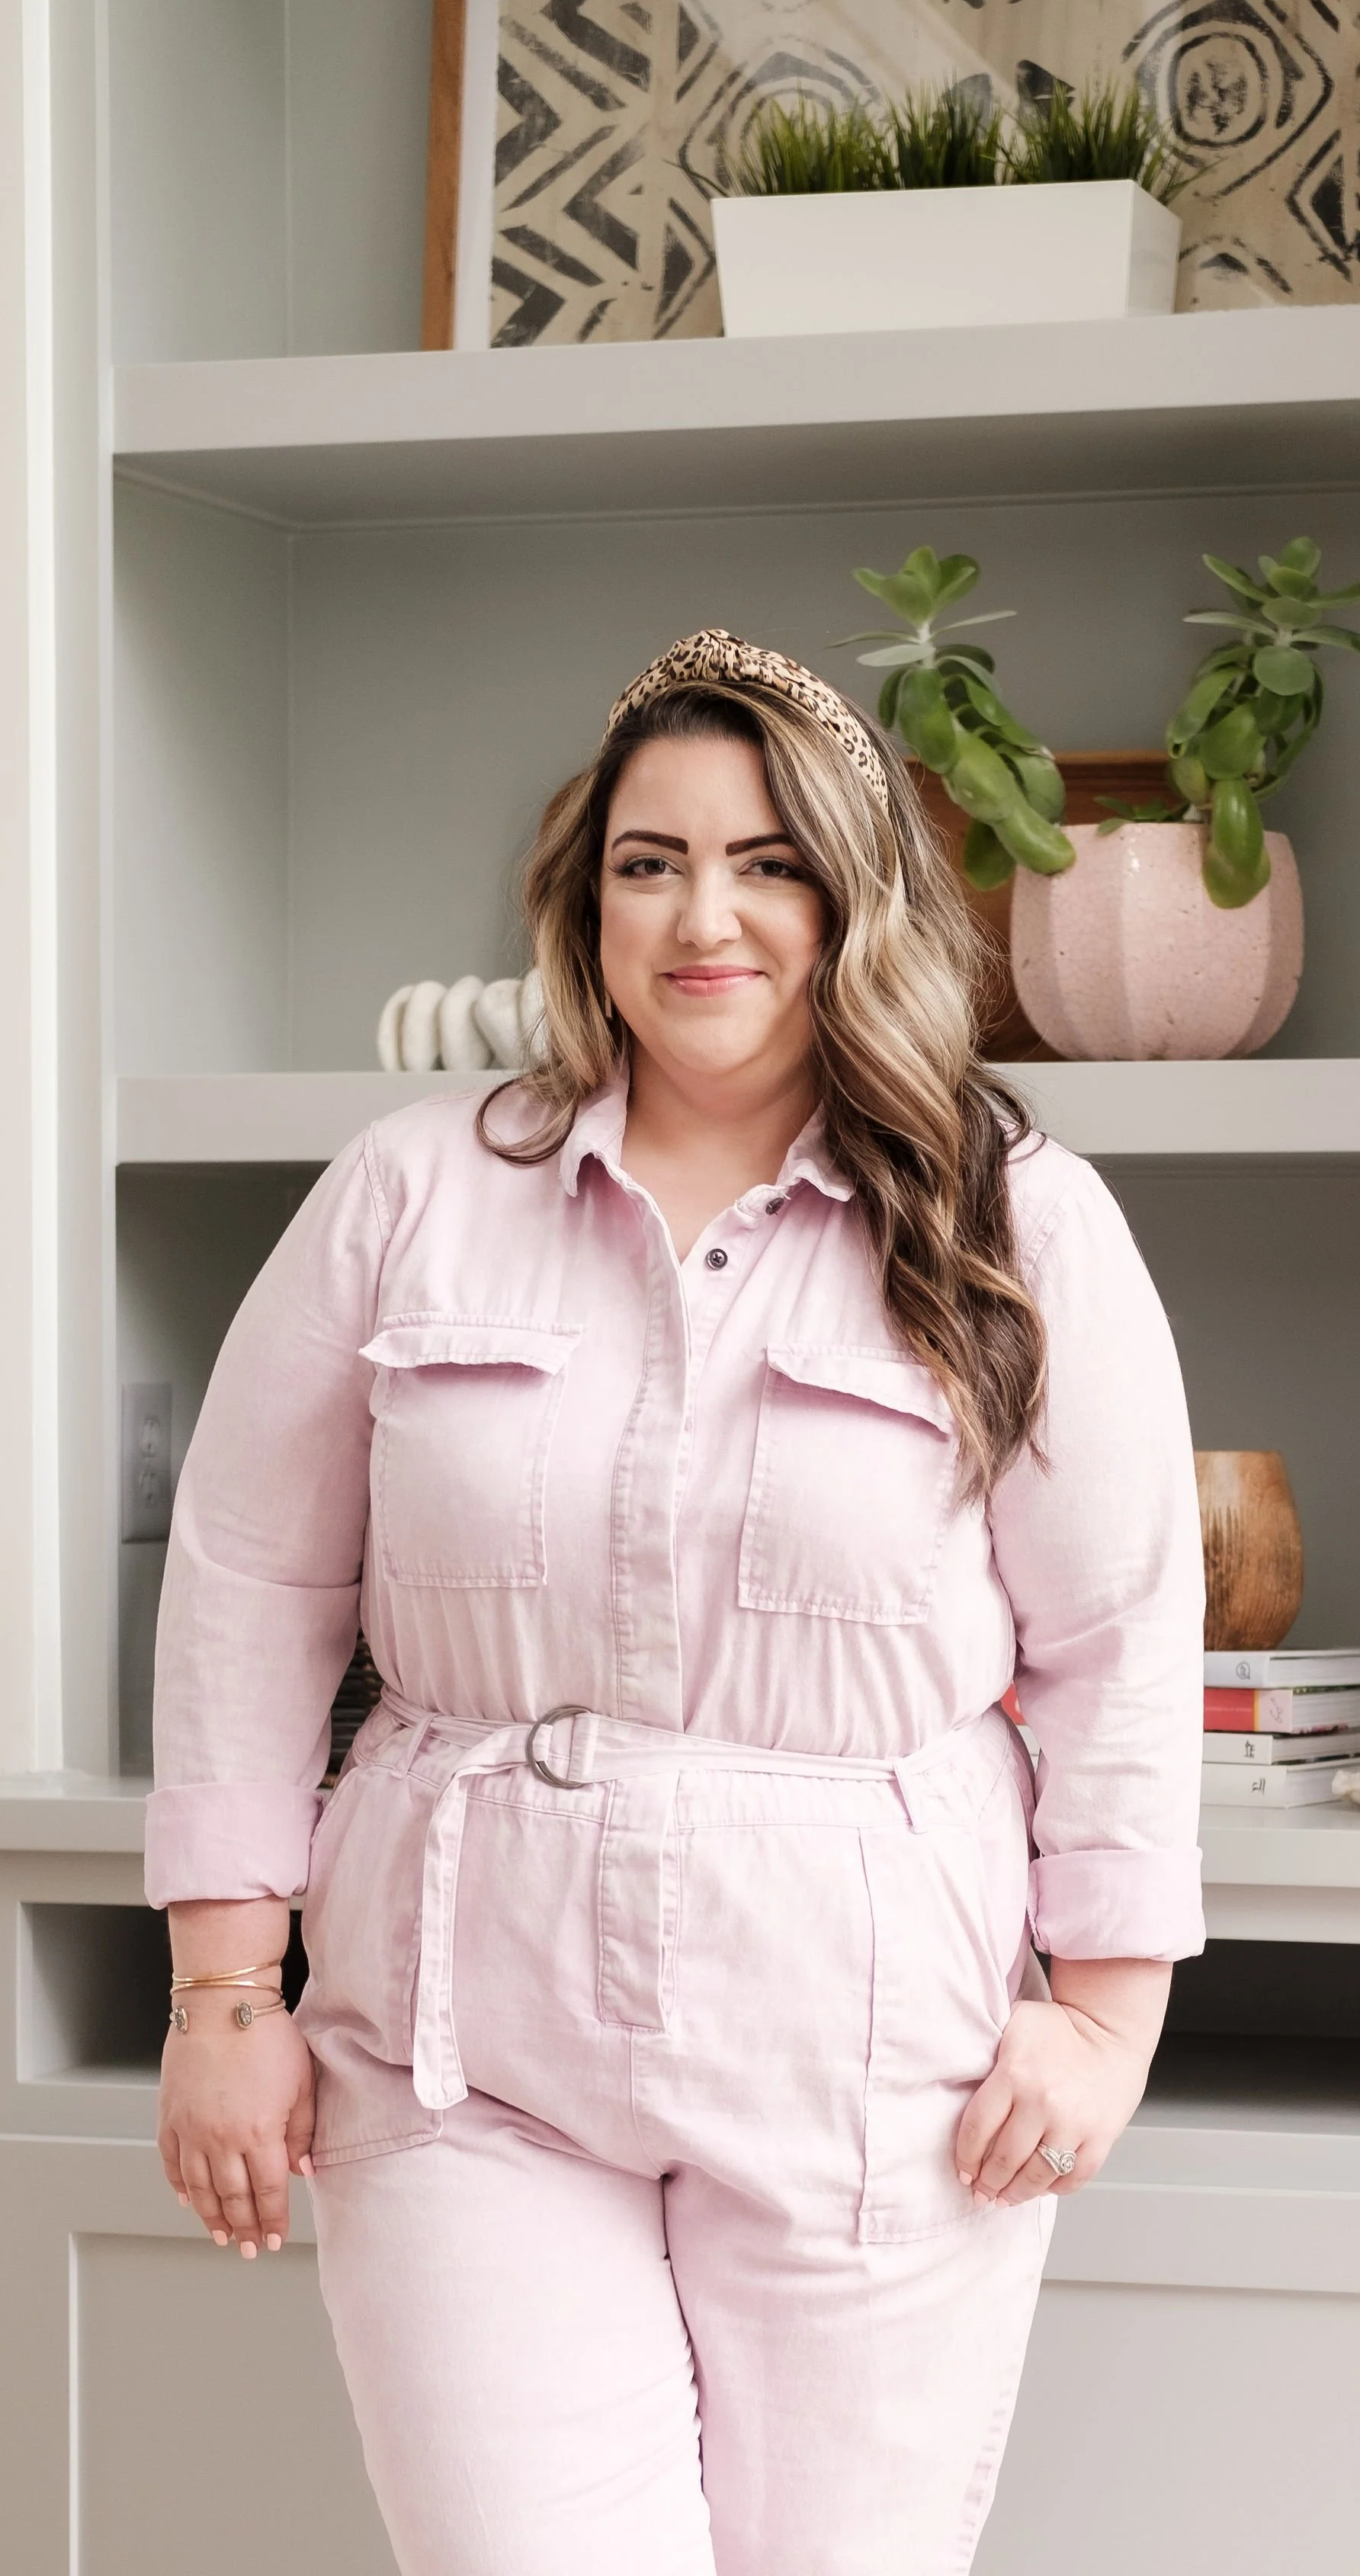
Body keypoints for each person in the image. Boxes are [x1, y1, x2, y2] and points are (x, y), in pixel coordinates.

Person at [146, 632, 1204, 2576]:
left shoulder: (1013, 1216)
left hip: (878, 2056)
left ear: (852, 896)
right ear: (585, 901)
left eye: (766, 862)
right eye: (649, 862)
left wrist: (1108, 2021)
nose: (704, 916)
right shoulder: (410, 1191)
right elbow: (249, 1585)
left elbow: (1123, 1639)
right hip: (465, 2038)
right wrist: (227, 1988)